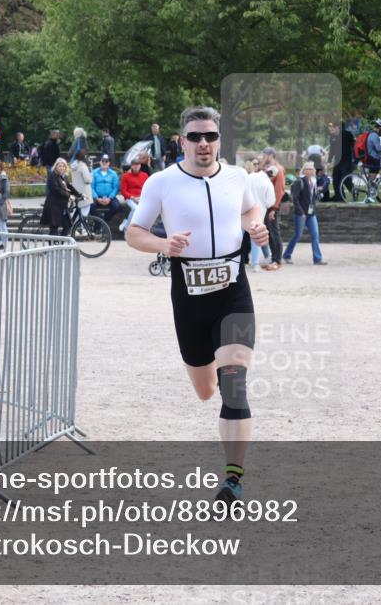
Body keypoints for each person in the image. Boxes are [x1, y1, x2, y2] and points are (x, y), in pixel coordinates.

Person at [125, 105, 268, 507]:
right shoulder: (162, 182)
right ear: (182, 141)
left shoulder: (238, 177)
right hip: (187, 294)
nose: (203, 144)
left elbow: (250, 209)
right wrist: (163, 244)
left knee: (234, 384)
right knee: (206, 390)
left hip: (233, 290)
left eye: (210, 136)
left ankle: (233, 482)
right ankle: (215, 388)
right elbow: (134, 234)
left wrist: (254, 225)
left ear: (220, 140)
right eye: (195, 137)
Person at [283, 161, 325, 265]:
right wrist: (301, 212)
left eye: (311, 169)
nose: (309, 171)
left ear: (314, 171)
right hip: (301, 213)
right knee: (298, 235)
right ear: (304, 170)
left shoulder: (314, 181)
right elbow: (295, 198)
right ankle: (287, 255)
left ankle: (317, 258)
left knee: (315, 235)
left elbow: (313, 196)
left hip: (311, 213)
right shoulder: (299, 182)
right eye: (307, 169)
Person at [245, 159, 275, 272]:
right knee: (256, 238)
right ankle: (256, 264)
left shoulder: (249, 177)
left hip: (244, 211)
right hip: (258, 213)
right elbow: (270, 202)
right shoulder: (268, 183)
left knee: (239, 238)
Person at [259, 148, 285, 270]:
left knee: (275, 233)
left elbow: (279, 190)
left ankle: (277, 260)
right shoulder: (268, 169)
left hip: (272, 206)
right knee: (270, 233)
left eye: (264, 155)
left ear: (270, 155)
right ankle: (273, 258)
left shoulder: (278, 170)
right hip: (267, 205)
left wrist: (274, 208)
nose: (263, 156)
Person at [41, 158, 81, 236]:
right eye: (60, 166)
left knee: (68, 225)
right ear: (56, 166)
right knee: (54, 227)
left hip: (62, 205)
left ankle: (61, 244)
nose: (62, 168)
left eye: (63, 166)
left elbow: (69, 186)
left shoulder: (63, 176)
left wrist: (79, 194)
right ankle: (53, 247)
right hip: (54, 205)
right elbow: (56, 190)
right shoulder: (52, 176)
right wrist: (69, 196)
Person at [119, 155, 148, 232]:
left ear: (140, 166)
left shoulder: (144, 175)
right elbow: (123, 191)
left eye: (137, 165)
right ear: (131, 166)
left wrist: (141, 197)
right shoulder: (125, 176)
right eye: (134, 165)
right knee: (135, 208)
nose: (136, 167)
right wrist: (132, 197)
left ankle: (130, 224)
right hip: (130, 198)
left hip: (141, 198)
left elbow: (147, 189)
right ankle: (127, 227)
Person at [328, 121, 354, 202]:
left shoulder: (347, 134)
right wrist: (329, 160)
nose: (331, 129)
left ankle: (354, 191)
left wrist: (356, 158)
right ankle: (339, 197)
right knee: (336, 179)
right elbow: (332, 149)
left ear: (337, 127)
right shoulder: (332, 137)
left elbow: (354, 145)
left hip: (346, 161)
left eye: (333, 127)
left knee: (345, 178)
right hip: (337, 161)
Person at [91, 154, 121, 222]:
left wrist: (110, 198)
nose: (104, 162)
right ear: (100, 162)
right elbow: (91, 187)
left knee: (117, 206)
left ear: (109, 163)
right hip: (97, 197)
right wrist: (96, 198)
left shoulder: (113, 173)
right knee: (90, 206)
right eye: (103, 161)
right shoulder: (94, 172)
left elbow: (116, 187)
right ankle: (98, 223)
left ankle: (104, 220)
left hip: (110, 197)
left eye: (106, 161)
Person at [363, 119, 381, 204]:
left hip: (373, 159)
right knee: (372, 180)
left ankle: (370, 196)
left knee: (373, 179)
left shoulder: (372, 134)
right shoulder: (374, 135)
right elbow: (378, 148)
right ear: (379, 128)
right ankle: (369, 197)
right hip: (373, 159)